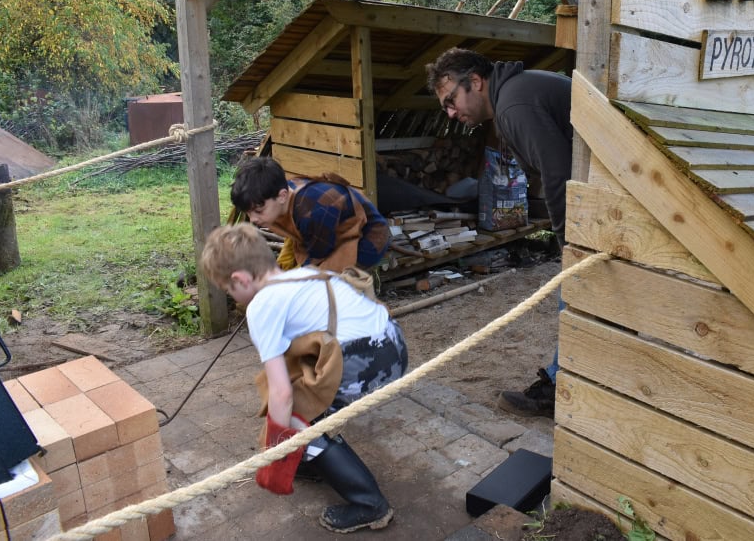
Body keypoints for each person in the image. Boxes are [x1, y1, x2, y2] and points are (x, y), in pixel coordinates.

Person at [201, 223, 408, 532]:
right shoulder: (302, 272)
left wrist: (277, 447)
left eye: (229, 290)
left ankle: (370, 505)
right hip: (394, 343)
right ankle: (313, 459)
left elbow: (281, 392)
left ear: (240, 279)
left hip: (369, 361)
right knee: (302, 405)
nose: (233, 298)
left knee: (299, 420)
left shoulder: (261, 305)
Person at [425, 48, 572, 418]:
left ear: (475, 82)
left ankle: (560, 389)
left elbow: (558, 174)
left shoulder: (512, 105)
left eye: (451, 100)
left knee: (575, 297)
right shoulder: (516, 92)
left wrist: (568, 240)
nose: (451, 113)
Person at [230, 156, 390, 273]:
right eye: (248, 213)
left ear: (282, 196)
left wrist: (286, 282)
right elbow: (292, 232)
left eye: (258, 211)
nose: (253, 219)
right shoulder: (277, 199)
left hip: (367, 238)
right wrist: (283, 266)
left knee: (327, 285)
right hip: (328, 234)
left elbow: (315, 263)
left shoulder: (312, 212)